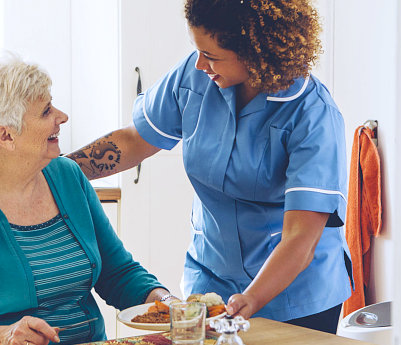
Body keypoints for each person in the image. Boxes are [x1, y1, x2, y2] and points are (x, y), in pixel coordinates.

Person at [67, 0, 352, 334]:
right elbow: (133, 141)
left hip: (295, 296)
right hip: (209, 280)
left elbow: (300, 236)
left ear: (257, 53)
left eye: (213, 56)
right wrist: (56, 170)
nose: (200, 63)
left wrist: (252, 298)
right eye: (198, 50)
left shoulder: (313, 114)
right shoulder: (195, 75)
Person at [0, 53, 173, 345]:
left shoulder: (68, 176)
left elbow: (118, 274)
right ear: (5, 136)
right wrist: (4, 337)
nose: (62, 117)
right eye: (46, 111)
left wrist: (166, 302)